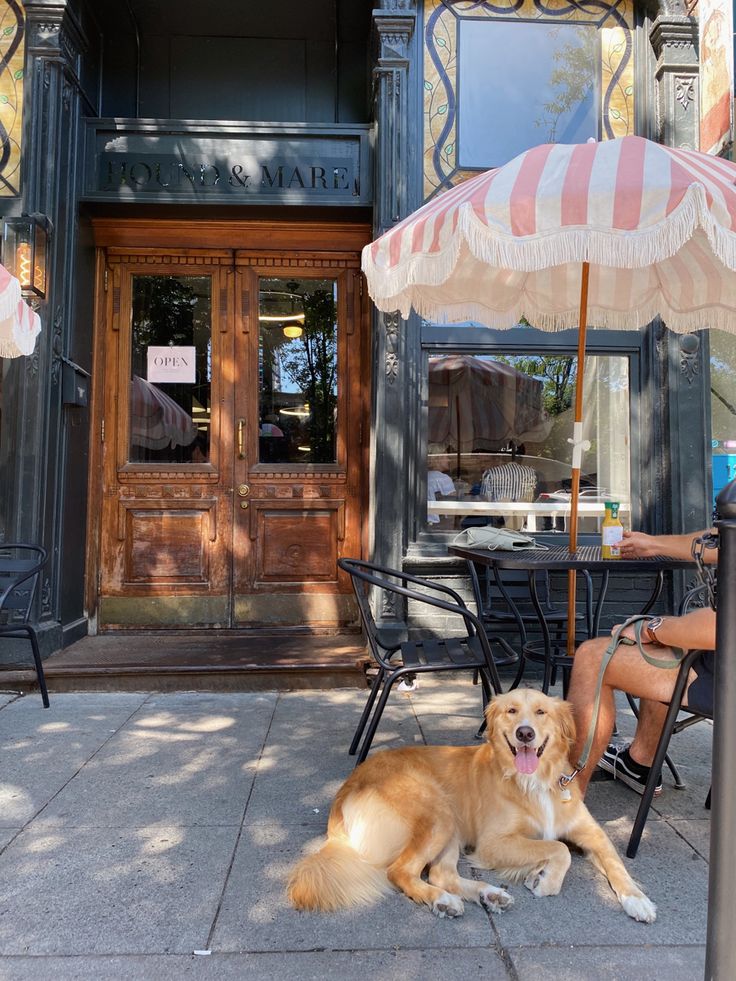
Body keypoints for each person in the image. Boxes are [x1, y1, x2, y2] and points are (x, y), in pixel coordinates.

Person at [566, 527, 717, 797]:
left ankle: (564, 803)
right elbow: (721, 539)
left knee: (592, 657)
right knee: (670, 643)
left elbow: (720, 627)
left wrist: (649, 629)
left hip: (722, 676)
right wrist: (654, 544)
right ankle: (639, 763)